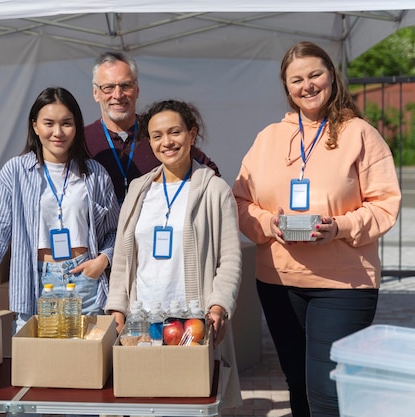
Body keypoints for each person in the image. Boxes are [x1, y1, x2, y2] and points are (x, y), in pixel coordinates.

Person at [232, 41, 401, 417]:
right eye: (297, 79)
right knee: (297, 380)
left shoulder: (360, 133)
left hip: (344, 284)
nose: (307, 85)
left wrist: (339, 226)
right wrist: (267, 223)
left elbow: (386, 202)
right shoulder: (268, 138)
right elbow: (241, 201)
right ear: (287, 87)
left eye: (315, 75)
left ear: (331, 76)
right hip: (279, 281)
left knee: (327, 389)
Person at [0, 87, 119, 337]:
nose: (58, 132)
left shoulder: (94, 174)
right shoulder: (16, 172)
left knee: (88, 364)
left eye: (66, 123)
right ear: (34, 126)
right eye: (49, 123)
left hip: (85, 281)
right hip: (36, 284)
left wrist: (103, 259)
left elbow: (115, 231)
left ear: (76, 126)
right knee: (37, 369)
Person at [105, 99, 242, 409]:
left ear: (192, 135)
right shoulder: (140, 190)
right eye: (157, 135)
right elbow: (124, 259)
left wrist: (219, 305)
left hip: (192, 322)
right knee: (143, 404)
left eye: (175, 132)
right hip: (143, 323)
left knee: (190, 404)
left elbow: (230, 258)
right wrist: (117, 306)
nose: (166, 142)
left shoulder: (214, 189)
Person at [85, 51, 221, 203]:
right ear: (96, 93)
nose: (118, 95)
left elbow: (210, 173)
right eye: (108, 87)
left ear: (137, 90)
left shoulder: (158, 133)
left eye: (125, 85)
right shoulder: (82, 140)